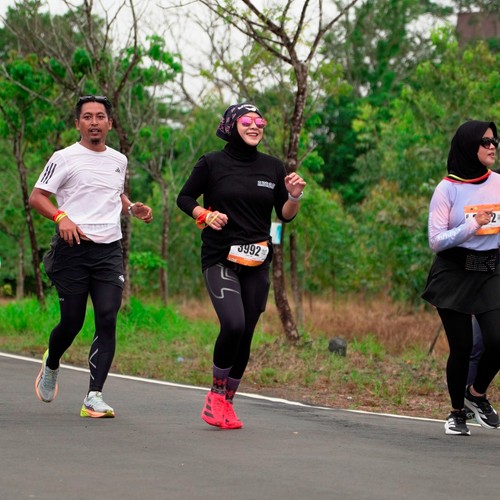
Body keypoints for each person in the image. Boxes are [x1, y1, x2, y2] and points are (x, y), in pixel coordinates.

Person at [177, 103, 306, 429]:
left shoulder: (273, 167)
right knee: (233, 324)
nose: (255, 126)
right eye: (246, 121)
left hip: (257, 262)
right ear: (231, 125)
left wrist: (293, 197)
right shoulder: (212, 162)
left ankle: (228, 401)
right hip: (220, 256)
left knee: (246, 333)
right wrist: (205, 215)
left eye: (260, 121)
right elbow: (185, 198)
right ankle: (215, 395)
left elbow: (285, 215)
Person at [29, 95, 153, 418]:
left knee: (108, 317)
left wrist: (131, 207)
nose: (94, 122)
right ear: (77, 123)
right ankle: (51, 362)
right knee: (72, 322)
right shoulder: (64, 158)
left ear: (110, 123)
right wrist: (61, 217)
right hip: (72, 248)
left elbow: (114, 193)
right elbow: (37, 196)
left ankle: (93, 396)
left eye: (100, 116)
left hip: (108, 249)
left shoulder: (119, 160)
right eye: (87, 117)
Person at [422, 120, 500, 436]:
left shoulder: (498, 183)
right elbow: (436, 240)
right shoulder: (448, 188)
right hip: (453, 273)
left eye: (495, 141)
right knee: (462, 347)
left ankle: (476, 394)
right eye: (485, 142)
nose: (492, 146)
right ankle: (457, 412)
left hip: (490, 271)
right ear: (469, 146)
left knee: (497, 340)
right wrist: (472, 225)